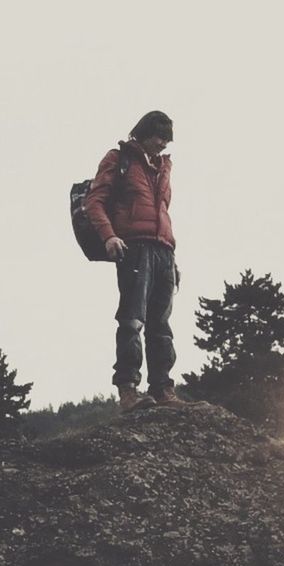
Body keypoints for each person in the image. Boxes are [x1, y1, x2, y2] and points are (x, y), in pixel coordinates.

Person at [84, 111, 189, 412]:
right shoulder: (120, 158)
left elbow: (162, 211)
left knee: (161, 325)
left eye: (167, 139)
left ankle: (162, 389)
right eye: (158, 137)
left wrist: (172, 257)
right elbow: (95, 201)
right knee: (132, 319)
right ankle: (128, 389)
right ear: (143, 133)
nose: (162, 144)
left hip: (163, 250)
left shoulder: (163, 167)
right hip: (134, 247)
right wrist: (108, 236)